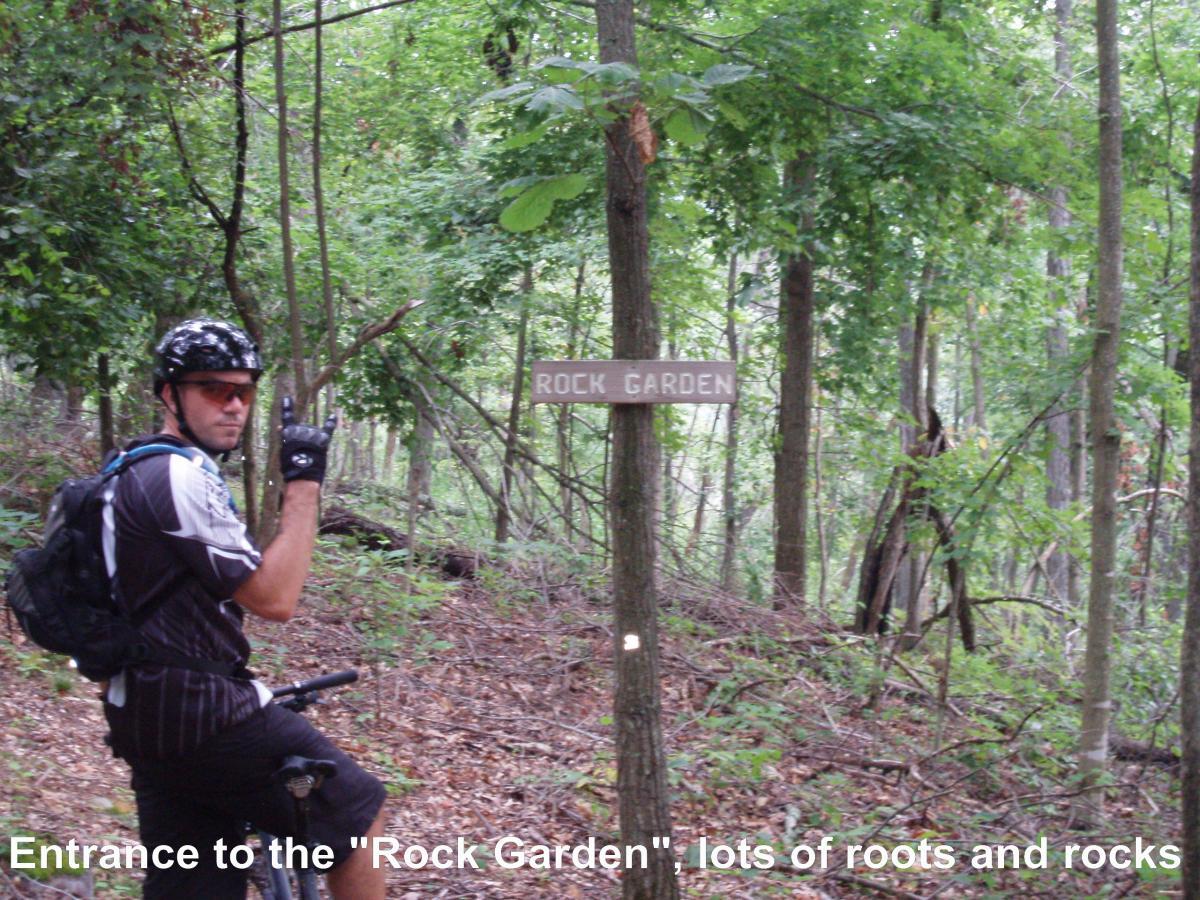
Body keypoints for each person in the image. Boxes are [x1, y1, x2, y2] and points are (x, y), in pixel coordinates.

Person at [101, 318, 387, 899]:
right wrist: (304, 485)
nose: (233, 406)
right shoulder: (175, 476)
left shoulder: (123, 470)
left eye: (245, 391)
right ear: (169, 394)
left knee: (197, 883)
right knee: (357, 818)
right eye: (214, 390)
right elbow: (274, 598)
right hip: (203, 714)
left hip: (142, 715)